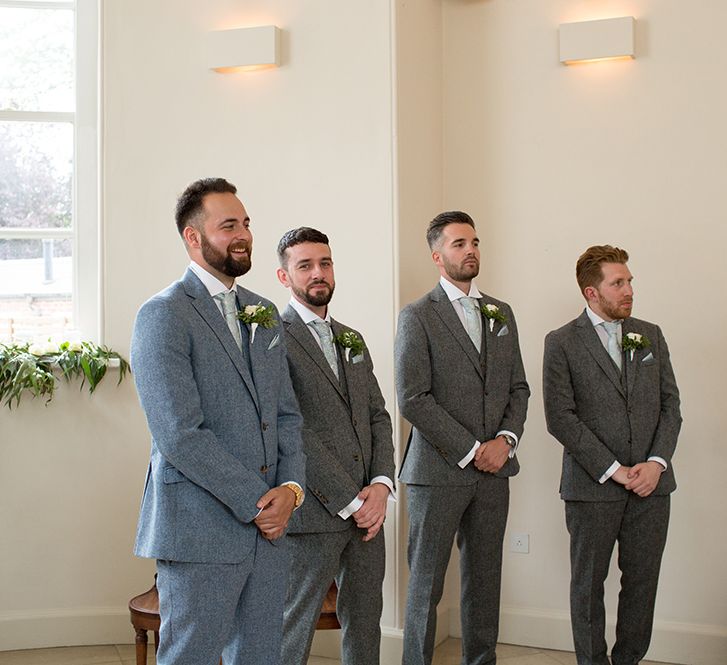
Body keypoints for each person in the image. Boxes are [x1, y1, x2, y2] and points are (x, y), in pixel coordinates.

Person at [130, 177, 306, 665]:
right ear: (193, 237)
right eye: (228, 225)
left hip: (270, 530)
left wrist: (290, 492)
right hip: (200, 527)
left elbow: (286, 413)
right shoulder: (162, 314)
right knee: (192, 656)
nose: (243, 234)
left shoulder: (264, 311)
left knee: (260, 656)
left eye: (245, 223)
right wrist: (258, 501)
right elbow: (180, 435)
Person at [395, 211, 530, 665]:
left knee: (484, 579)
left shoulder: (501, 313)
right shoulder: (416, 316)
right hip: (436, 472)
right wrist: (474, 450)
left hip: (495, 473)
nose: (470, 249)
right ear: (437, 256)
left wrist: (505, 441)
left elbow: (519, 388)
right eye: (458, 244)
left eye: (474, 242)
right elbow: (413, 398)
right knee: (425, 585)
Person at [543, 245, 681, 665]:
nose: (628, 290)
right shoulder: (561, 342)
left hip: (652, 489)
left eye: (630, 281)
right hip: (592, 488)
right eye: (617, 283)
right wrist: (614, 470)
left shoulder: (650, 334)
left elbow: (670, 406)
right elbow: (560, 418)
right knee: (588, 585)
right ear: (591, 292)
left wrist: (656, 464)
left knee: (642, 583)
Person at [275, 227, 396, 665]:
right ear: (284, 276)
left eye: (324, 263)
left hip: (369, 513)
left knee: (366, 622)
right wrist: (349, 500)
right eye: (304, 265)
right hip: (313, 513)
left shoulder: (352, 338)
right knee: (293, 627)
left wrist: (380, 488)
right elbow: (292, 428)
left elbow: (378, 416)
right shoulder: (273, 338)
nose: (318, 273)